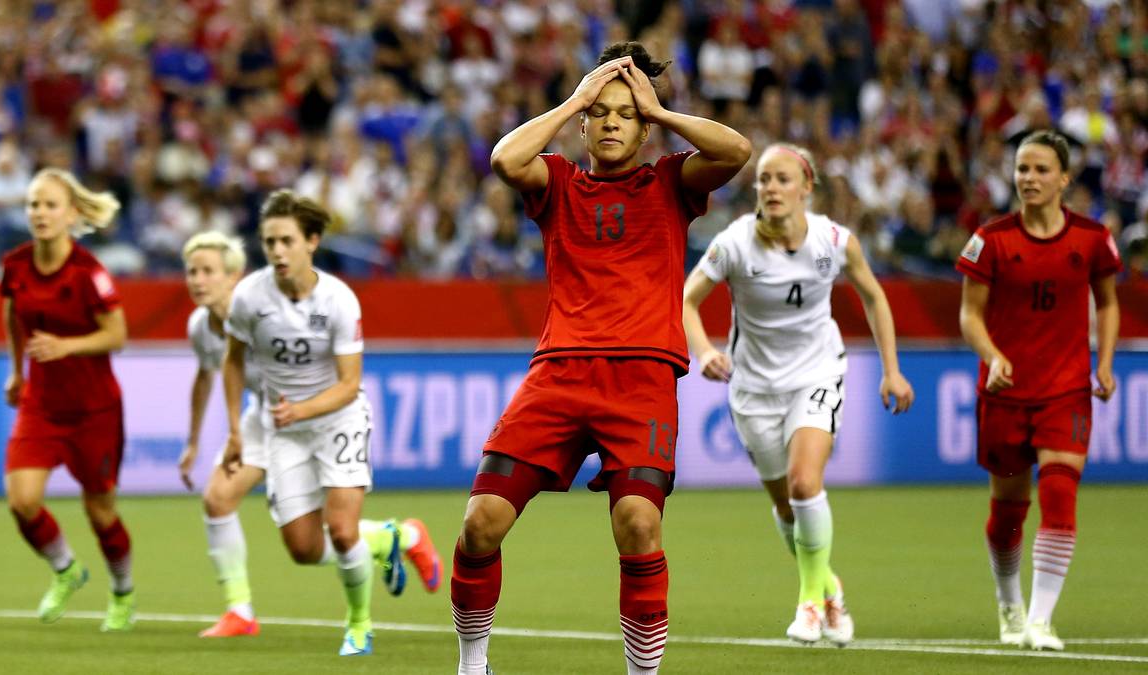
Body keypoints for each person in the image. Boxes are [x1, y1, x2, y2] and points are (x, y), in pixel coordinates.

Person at [451, 42, 753, 675]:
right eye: (601, 113)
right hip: (559, 374)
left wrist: (660, 111)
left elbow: (736, 151)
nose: (612, 123)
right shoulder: (559, 182)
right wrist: (573, 100)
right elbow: (505, 159)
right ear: (585, 125)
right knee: (480, 524)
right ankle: (472, 664)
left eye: (627, 114)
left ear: (644, 130)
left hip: (641, 379)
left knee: (639, 526)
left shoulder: (670, 181)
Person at [682, 142, 915, 646]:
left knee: (805, 484)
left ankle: (809, 603)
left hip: (816, 375)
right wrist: (703, 351)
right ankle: (828, 586)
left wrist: (892, 371)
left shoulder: (834, 240)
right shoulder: (735, 243)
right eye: (764, 179)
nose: (771, 188)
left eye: (782, 179)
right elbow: (687, 299)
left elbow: (874, 296)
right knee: (788, 509)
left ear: (807, 187)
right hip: (753, 390)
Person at [177, 231, 442, 638]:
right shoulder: (200, 326)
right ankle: (240, 611)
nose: (197, 280)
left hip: (317, 421)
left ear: (233, 277)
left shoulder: (265, 311)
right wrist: (195, 441)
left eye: (207, 271)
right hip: (267, 418)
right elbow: (205, 376)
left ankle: (398, 537)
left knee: (321, 539)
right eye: (192, 272)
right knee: (218, 500)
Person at [956, 130, 1121, 652]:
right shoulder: (991, 239)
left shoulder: (1093, 238)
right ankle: (1009, 603)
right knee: (1009, 511)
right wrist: (993, 356)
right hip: (1004, 392)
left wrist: (1106, 362)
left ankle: (1041, 620)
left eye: (1041, 169)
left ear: (1064, 178)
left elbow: (1108, 302)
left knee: (1059, 493)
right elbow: (970, 315)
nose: (1029, 178)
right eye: (1022, 169)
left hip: (1065, 390)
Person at [222, 189, 385, 656]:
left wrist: (302, 409)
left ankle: (359, 623)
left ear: (311, 241)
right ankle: (390, 538)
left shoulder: (339, 300)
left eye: (286, 241)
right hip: (284, 430)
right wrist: (235, 429)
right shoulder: (249, 296)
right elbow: (232, 362)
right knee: (303, 548)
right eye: (269, 242)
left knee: (343, 529)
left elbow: (349, 384)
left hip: (338, 420)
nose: (276, 251)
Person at [0, 168, 135, 631]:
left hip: (94, 409)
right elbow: (12, 314)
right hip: (41, 404)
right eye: (33, 204)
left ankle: (123, 592)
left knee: (100, 512)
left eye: (50, 205)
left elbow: (117, 335)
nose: (39, 213)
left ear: (72, 214)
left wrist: (66, 346)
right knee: (22, 500)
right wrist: (17, 372)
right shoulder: (15, 265)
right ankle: (66, 569)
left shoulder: (88, 273)